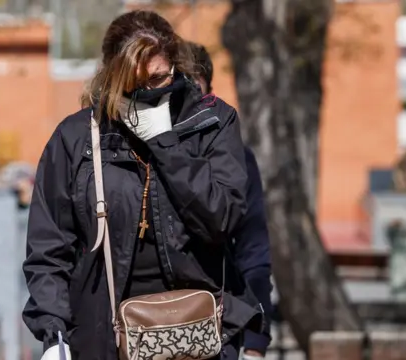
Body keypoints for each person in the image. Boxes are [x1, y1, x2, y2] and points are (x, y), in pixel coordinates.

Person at [23, 10, 263, 360]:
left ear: (175, 67)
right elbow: (48, 249)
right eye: (134, 85)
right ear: (111, 76)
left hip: (198, 335)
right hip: (104, 337)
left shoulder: (211, 123)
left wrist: (166, 143)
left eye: (159, 79)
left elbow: (222, 218)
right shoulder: (77, 138)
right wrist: (53, 333)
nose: (149, 92)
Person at [188, 41, 273, 360]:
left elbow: (254, 253)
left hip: (220, 332)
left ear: (210, 91)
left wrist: (255, 343)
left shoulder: (237, 158)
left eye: (194, 90)